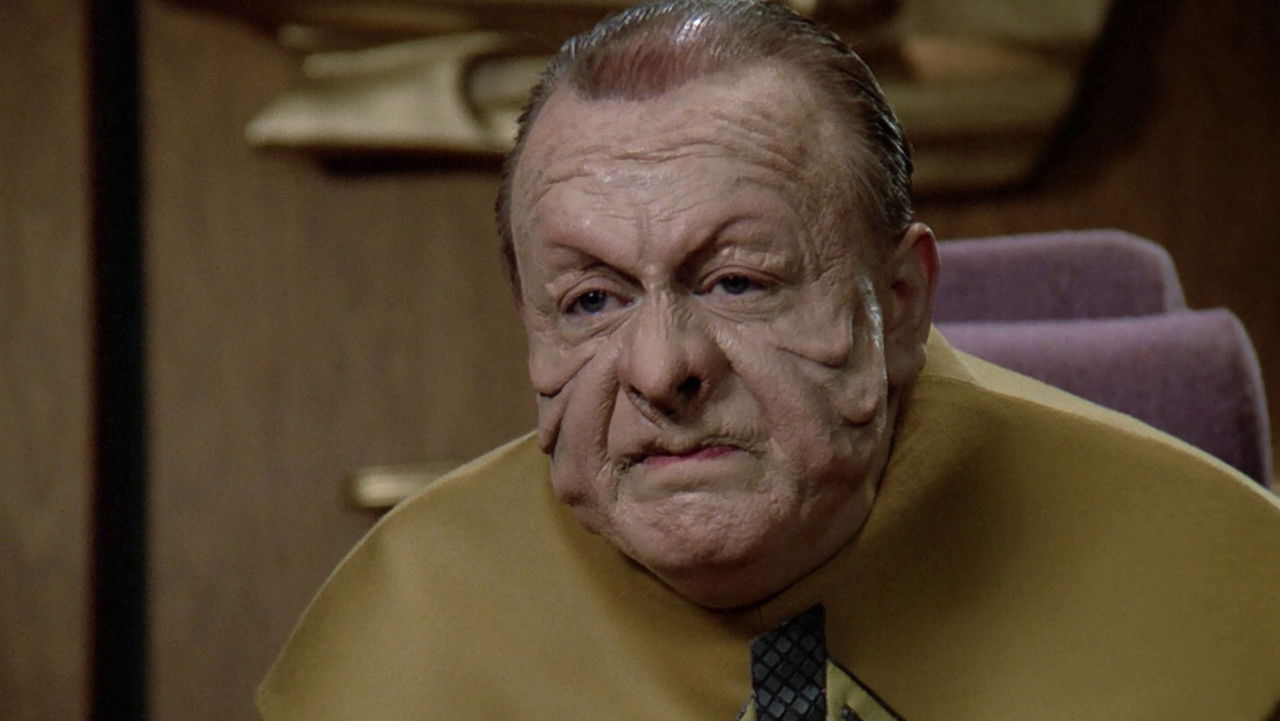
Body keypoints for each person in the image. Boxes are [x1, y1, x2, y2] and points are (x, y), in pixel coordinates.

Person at [257, 1, 1280, 719]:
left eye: (736, 282)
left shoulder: (1234, 600)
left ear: (899, 304)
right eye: (592, 300)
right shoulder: (401, 636)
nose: (659, 369)